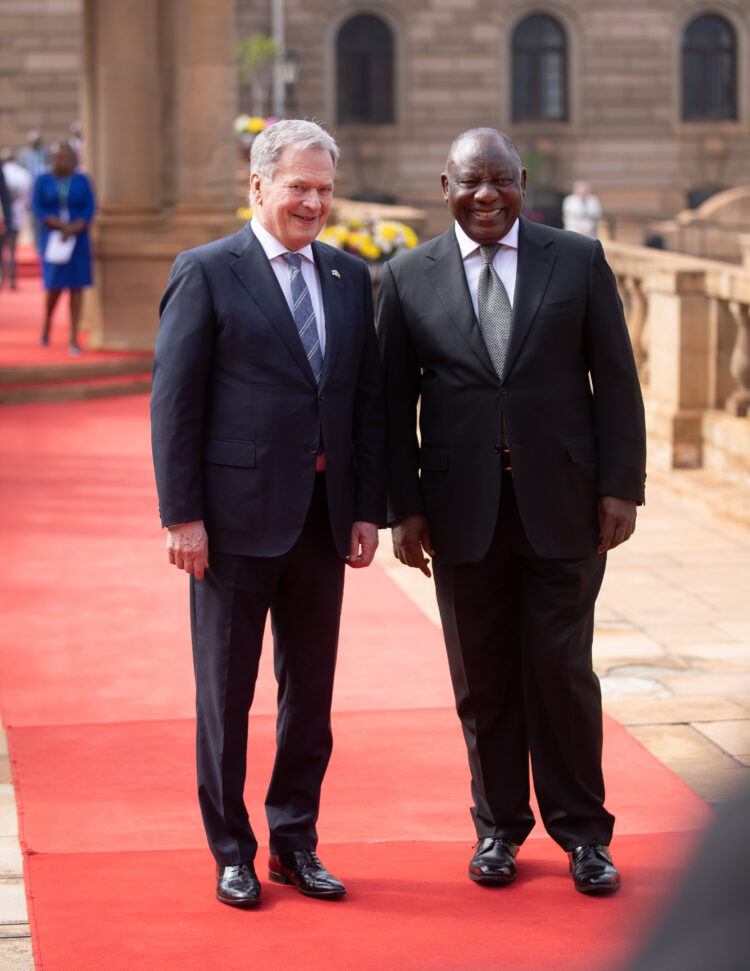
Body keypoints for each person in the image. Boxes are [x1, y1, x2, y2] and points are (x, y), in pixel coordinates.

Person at [376, 128, 645, 894]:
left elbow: (617, 381)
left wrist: (621, 486)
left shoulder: (578, 260)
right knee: (483, 678)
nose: (486, 195)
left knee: (561, 673)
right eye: (470, 182)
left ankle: (584, 835)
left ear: (523, 182)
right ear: (445, 185)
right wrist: (405, 508)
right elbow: (394, 409)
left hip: (565, 506)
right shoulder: (405, 276)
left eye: (501, 181)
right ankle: (497, 828)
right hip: (461, 512)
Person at [150, 119, 386, 909]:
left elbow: (363, 406)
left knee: (309, 696)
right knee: (225, 693)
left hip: (323, 520)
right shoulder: (207, 271)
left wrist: (365, 509)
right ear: (258, 187)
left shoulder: (353, 278)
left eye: (324, 189)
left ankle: (295, 841)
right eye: (299, 188)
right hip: (231, 522)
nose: (314, 202)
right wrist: (182, 516)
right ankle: (231, 850)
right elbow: (175, 406)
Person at [31, 141, 96, 354]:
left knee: (77, 289)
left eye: (65, 158)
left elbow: (90, 207)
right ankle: (48, 321)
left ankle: (73, 336)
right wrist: (59, 226)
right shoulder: (43, 180)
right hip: (54, 239)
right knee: (54, 287)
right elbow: (37, 207)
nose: (62, 161)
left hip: (77, 241)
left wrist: (75, 226)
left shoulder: (82, 180)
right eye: (58, 158)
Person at [1, 149, 33, 289]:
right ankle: (12, 278)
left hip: (5, 216)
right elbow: (27, 197)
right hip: (16, 214)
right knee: (13, 249)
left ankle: (4, 276)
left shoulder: (5, 172)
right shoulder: (23, 174)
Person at [17, 130, 50, 253]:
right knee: (33, 214)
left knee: (43, 214)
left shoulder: (46, 153)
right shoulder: (24, 154)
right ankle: (35, 241)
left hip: (43, 187)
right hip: (29, 187)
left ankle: (42, 241)